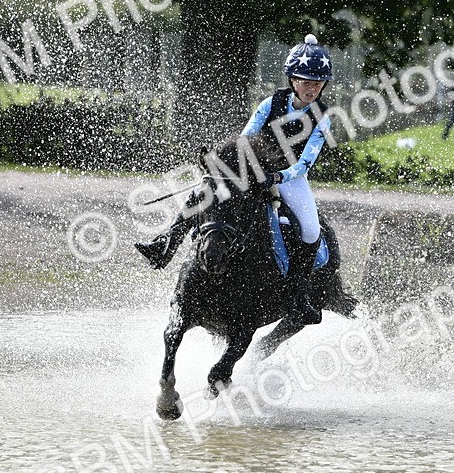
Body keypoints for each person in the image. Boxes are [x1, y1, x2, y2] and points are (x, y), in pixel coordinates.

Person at [135, 34, 334, 325]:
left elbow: (305, 162)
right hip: (253, 166)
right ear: (292, 80)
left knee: (310, 230)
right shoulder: (270, 103)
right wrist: (239, 168)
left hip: (289, 177)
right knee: (207, 192)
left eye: (317, 84)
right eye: (305, 81)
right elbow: (247, 137)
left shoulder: (323, 115)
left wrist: (278, 175)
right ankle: (166, 243)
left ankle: (297, 295)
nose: (311, 88)